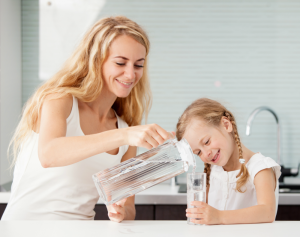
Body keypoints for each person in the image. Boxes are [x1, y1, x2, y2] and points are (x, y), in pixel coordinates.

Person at [2, 16, 173, 221]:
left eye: (138, 65)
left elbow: (128, 208)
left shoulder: (125, 133)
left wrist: (120, 213)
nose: (130, 75)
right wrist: (124, 135)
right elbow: (49, 154)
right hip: (24, 229)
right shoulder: (60, 100)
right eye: (120, 62)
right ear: (96, 60)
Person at [176, 98, 281, 225]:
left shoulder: (260, 168)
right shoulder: (213, 173)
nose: (206, 153)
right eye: (198, 152)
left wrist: (219, 216)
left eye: (206, 142)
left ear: (226, 125)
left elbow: (267, 212)